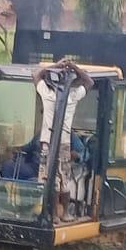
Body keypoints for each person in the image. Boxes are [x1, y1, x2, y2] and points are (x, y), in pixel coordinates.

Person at [34, 58, 93, 219]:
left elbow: (36, 75)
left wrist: (56, 65)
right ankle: (65, 213)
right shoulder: (72, 96)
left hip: (48, 144)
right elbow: (89, 82)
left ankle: (53, 215)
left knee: (50, 181)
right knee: (64, 180)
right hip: (64, 143)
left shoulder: (47, 95)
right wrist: (73, 66)